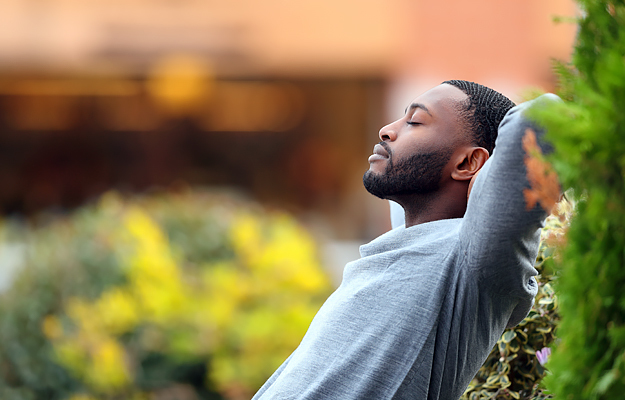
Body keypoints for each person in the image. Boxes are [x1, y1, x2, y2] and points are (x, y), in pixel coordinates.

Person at [252, 80, 559, 400]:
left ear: (468, 164)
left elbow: (543, 118)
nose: (387, 130)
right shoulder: (404, 242)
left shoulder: (474, 259)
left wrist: (485, 188)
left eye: (415, 121)